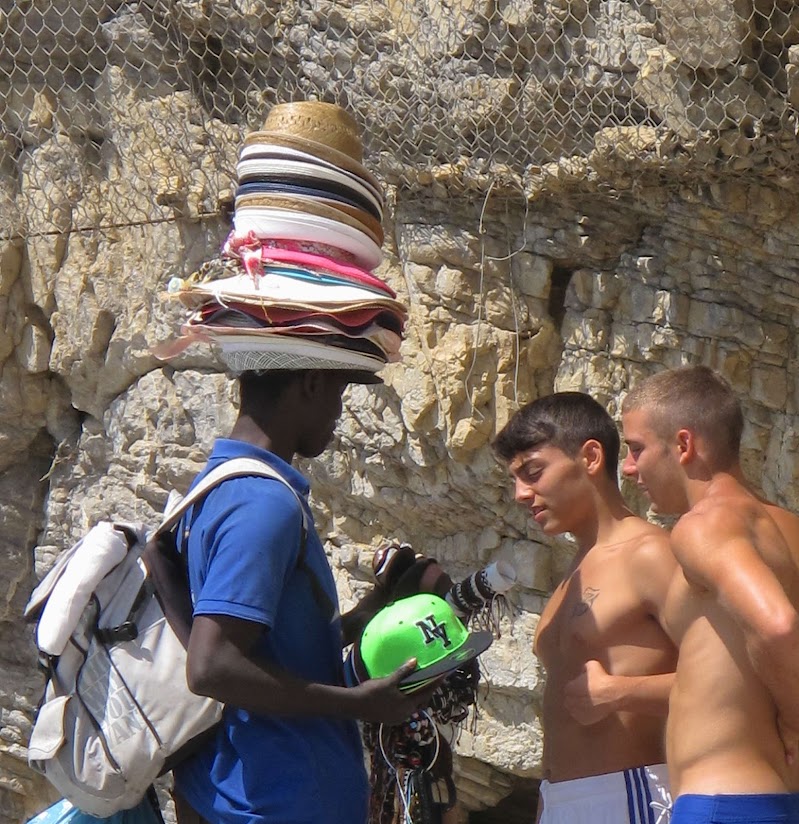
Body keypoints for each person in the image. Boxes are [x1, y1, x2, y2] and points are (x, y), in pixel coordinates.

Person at [171, 368, 436, 824]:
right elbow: (211, 665)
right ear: (310, 385)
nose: (339, 413)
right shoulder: (263, 504)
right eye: (339, 392)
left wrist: (375, 608)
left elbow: (275, 647)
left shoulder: (217, 484)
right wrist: (358, 704)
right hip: (280, 796)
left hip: (233, 786)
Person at [621, 365, 799, 824]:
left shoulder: (703, 524)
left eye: (636, 449)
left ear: (683, 445)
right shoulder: (788, 528)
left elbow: (778, 626)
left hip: (724, 802)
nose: (629, 468)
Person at [492, 392, 677, 824]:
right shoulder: (576, 569)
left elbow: (734, 680)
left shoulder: (650, 555)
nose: (521, 494)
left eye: (533, 472)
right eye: (514, 479)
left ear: (591, 457)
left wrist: (620, 692)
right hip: (561, 800)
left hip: (632, 794)